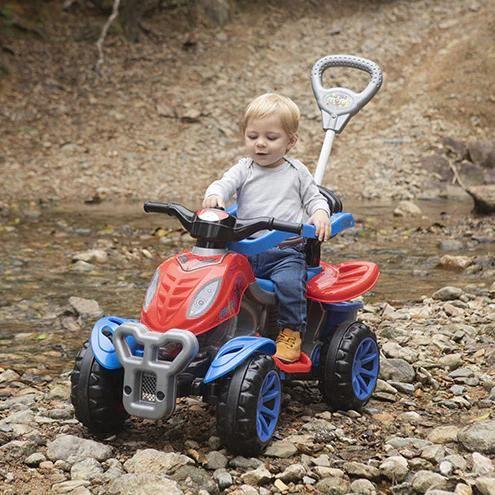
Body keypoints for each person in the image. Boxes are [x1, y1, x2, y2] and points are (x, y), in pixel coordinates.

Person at [203, 93, 331, 362]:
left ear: (290, 141)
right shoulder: (244, 168)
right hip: (245, 252)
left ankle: (291, 331)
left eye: (271, 138)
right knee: (213, 279)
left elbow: (314, 198)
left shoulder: (296, 172)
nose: (260, 144)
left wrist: (320, 214)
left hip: (284, 253)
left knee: (289, 285)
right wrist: (215, 195)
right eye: (252, 136)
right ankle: (213, 327)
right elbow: (223, 184)